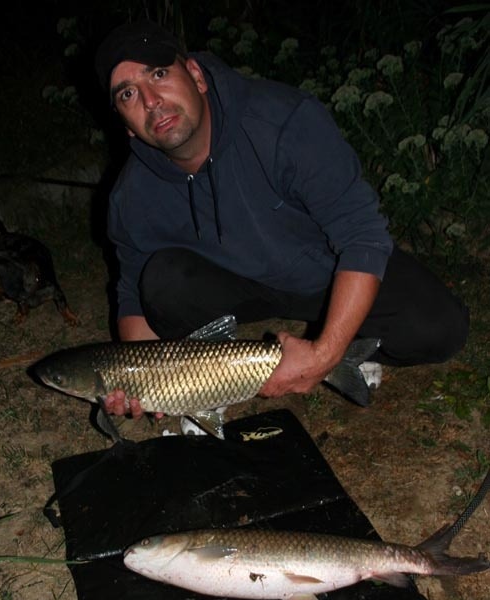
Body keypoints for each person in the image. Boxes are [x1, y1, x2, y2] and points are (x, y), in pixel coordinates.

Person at [94, 19, 469, 421]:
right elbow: (133, 295)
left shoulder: (284, 121)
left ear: (197, 75)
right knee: (161, 280)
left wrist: (325, 351)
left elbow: (362, 236)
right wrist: (142, 383)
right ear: (126, 125)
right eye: (129, 94)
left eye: (160, 73)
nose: (151, 100)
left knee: (439, 328)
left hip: (325, 273)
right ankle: (205, 384)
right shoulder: (131, 196)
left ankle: (346, 340)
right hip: (235, 287)